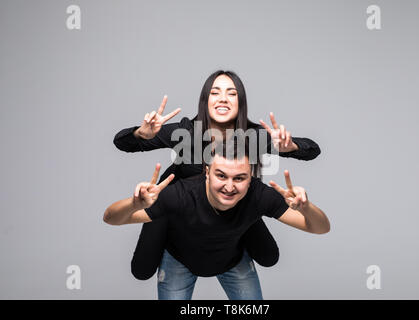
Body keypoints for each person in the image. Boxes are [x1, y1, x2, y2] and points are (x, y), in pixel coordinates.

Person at [113, 70, 321, 280]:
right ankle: (178, 240)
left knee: (269, 256)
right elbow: (122, 143)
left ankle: (233, 232)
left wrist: (291, 146)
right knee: (142, 269)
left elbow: (312, 149)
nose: (223, 98)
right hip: (178, 204)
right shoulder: (187, 132)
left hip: (232, 203)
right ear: (205, 100)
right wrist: (142, 134)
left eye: (231, 93)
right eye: (215, 92)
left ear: (240, 102)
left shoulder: (253, 136)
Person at [103, 142, 330, 300]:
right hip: (179, 260)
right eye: (221, 175)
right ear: (207, 172)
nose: (229, 187)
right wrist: (134, 204)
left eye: (239, 178)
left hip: (232, 260)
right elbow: (111, 218)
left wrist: (307, 208)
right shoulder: (180, 194)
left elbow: (320, 228)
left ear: (250, 178)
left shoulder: (259, 195)